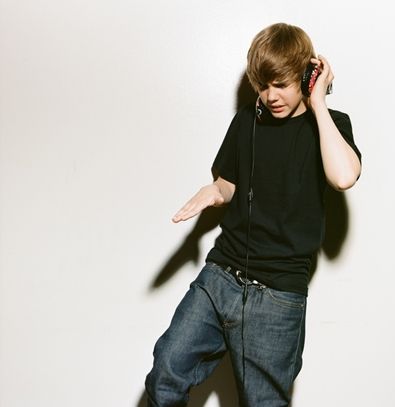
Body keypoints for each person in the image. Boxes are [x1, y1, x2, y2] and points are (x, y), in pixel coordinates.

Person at [145, 22, 362, 406]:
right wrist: (214, 191)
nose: (270, 95)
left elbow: (344, 177)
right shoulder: (248, 118)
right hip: (220, 277)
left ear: (306, 76)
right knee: (166, 373)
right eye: (262, 85)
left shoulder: (331, 125)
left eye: (281, 84)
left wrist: (318, 102)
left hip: (277, 296)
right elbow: (228, 183)